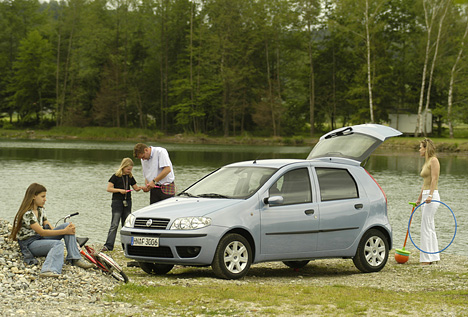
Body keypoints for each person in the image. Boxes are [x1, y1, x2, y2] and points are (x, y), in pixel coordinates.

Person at [10, 183, 93, 278]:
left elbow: (49, 227)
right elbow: (42, 232)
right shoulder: (27, 214)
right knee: (58, 244)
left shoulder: (40, 210)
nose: (45, 199)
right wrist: (64, 232)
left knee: (67, 225)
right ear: (33, 196)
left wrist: (66, 230)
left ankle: (75, 258)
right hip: (29, 244)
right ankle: (48, 269)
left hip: (39, 238)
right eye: (42, 196)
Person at [102, 158, 142, 252]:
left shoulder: (130, 177)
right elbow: (109, 189)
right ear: (123, 167)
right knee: (114, 224)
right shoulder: (115, 176)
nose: (129, 171)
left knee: (126, 224)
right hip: (117, 202)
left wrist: (141, 188)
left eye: (131, 169)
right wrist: (119, 190)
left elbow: (135, 188)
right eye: (128, 169)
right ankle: (108, 245)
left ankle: (127, 246)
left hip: (127, 202)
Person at [415, 138, 441, 265]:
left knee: (425, 226)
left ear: (426, 148)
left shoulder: (434, 160)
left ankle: (426, 259)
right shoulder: (426, 162)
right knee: (429, 226)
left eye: (421, 147)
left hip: (432, 196)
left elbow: (434, 180)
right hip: (425, 195)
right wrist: (419, 199)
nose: (419, 150)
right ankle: (434, 257)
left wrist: (430, 195)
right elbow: (425, 182)